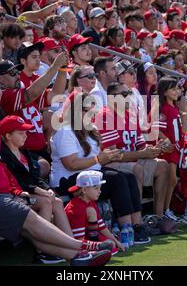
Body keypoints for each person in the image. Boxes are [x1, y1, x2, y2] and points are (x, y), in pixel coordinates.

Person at [0, 90, 113, 266]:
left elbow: (0, 171)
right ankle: (84, 246)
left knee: (33, 231)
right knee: (30, 219)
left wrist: (15, 192)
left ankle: (78, 258)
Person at [50, 91, 151, 243]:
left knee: (129, 176)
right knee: (118, 180)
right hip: (68, 180)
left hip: (89, 173)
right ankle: (126, 228)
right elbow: (71, 164)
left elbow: (96, 160)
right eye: (85, 109)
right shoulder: (65, 131)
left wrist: (110, 156)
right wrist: (98, 158)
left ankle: (136, 226)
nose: (90, 113)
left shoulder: (90, 129)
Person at [0, 115, 74, 264]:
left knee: (57, 201)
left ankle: (72, 244)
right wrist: (40, 191)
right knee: (45, 201)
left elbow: (34, 178)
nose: (25, 135)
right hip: (13, 197)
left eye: (25, 132)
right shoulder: (2, 155)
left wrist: (46, 188)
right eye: (20, 133)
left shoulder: (25, 152)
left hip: (31, 195)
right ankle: (42, 252)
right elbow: (14, 181)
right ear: (7, 136)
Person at [95, 82, 170, 218]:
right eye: (124, 94)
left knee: (163, 165)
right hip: (110, 164)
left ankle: (159, 216)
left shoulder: (131, 115)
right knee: (136, 169)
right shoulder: (105, 116)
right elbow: (112, 155)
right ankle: (137, 221)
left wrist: (154, 149)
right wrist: (143, 153)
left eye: (129, 93)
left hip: (132, 159)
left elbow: (141, 145)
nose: (129, 97)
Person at [149, 77, 186, 221]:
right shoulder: (163, 109)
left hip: (176, 148)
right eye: (173, 89)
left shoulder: (174, 107)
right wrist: (167, 142)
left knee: (173, 180)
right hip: (168, 150)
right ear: (164, 92)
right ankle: (164, 210)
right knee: (171, 179)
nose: (177, 92)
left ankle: (167, 209)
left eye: (178, 89)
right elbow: (157, 130)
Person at [65, 171, 125, 254]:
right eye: (96, 188)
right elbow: (78, 240)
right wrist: (96, 246)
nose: (100, 191)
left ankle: (95, 243)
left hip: (85, 237)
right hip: (72, 242)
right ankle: (93, 249)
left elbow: (101, 226)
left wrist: (116, 241)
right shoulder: (76, 208)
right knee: (109, 246)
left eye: (99, 188)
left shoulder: (90, 201)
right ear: (84, 190)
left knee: (112, 244)